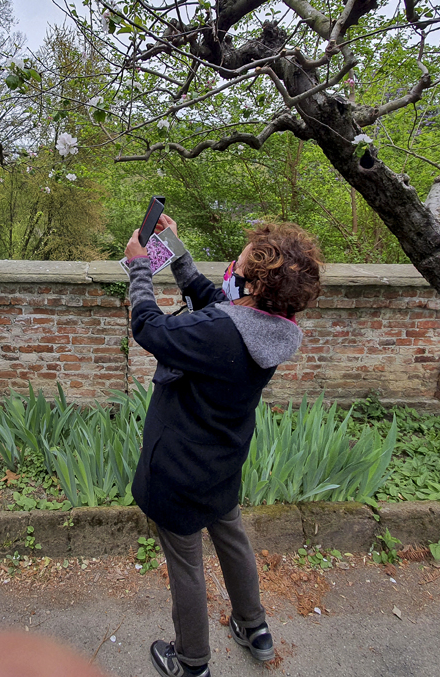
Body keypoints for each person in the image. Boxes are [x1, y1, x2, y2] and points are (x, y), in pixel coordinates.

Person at [123, 215, 324, 677]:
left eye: (242, 261)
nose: (233, 263)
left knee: (187, 564)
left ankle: (192, 662)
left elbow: (151, 329)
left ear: (254, 281)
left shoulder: (219, 332)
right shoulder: (273, 325)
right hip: (223, 458)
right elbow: (216, 300)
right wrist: (172, 247)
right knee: (232, 539)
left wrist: (139, 268)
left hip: (178, 465)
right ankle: (255, 629)